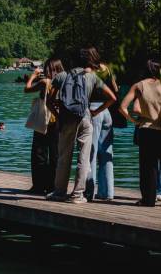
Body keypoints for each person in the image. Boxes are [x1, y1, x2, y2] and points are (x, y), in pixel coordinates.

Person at [46, 48, 116, 204]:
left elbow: (49, 101)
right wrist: (95, 112)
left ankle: (59, 192)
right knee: (84, 157)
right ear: (86, 62)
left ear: (71, 61)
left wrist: (58, 116)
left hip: (66, 119)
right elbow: (112, 97)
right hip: (85, 117)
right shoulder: (91, 77)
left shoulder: (62, 76)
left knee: (64, 156)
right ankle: (77, 195)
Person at [118, 59, 161, 206]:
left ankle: (148, 200)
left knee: (148, 168)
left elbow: (122, 107)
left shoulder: (139, 85)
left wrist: (134, 121)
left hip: (147, 130)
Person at [24, 58, 64, 194]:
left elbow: (27, 89)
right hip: (58, 120)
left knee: (39, 154)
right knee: (55, 155)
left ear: (50, 68)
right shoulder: (64, 81)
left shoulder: (45, 82)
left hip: (44, 120)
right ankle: (52, 186)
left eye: (47, 68)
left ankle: (39, 186)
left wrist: (33, 76)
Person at [84, 48, 119, 201]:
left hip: (94, 110)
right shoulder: (107, 69)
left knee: (91, 151)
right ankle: (107, 193)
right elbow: (116, 89)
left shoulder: (89, 72)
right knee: (106, 153)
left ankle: (89, 192)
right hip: (107, 111)